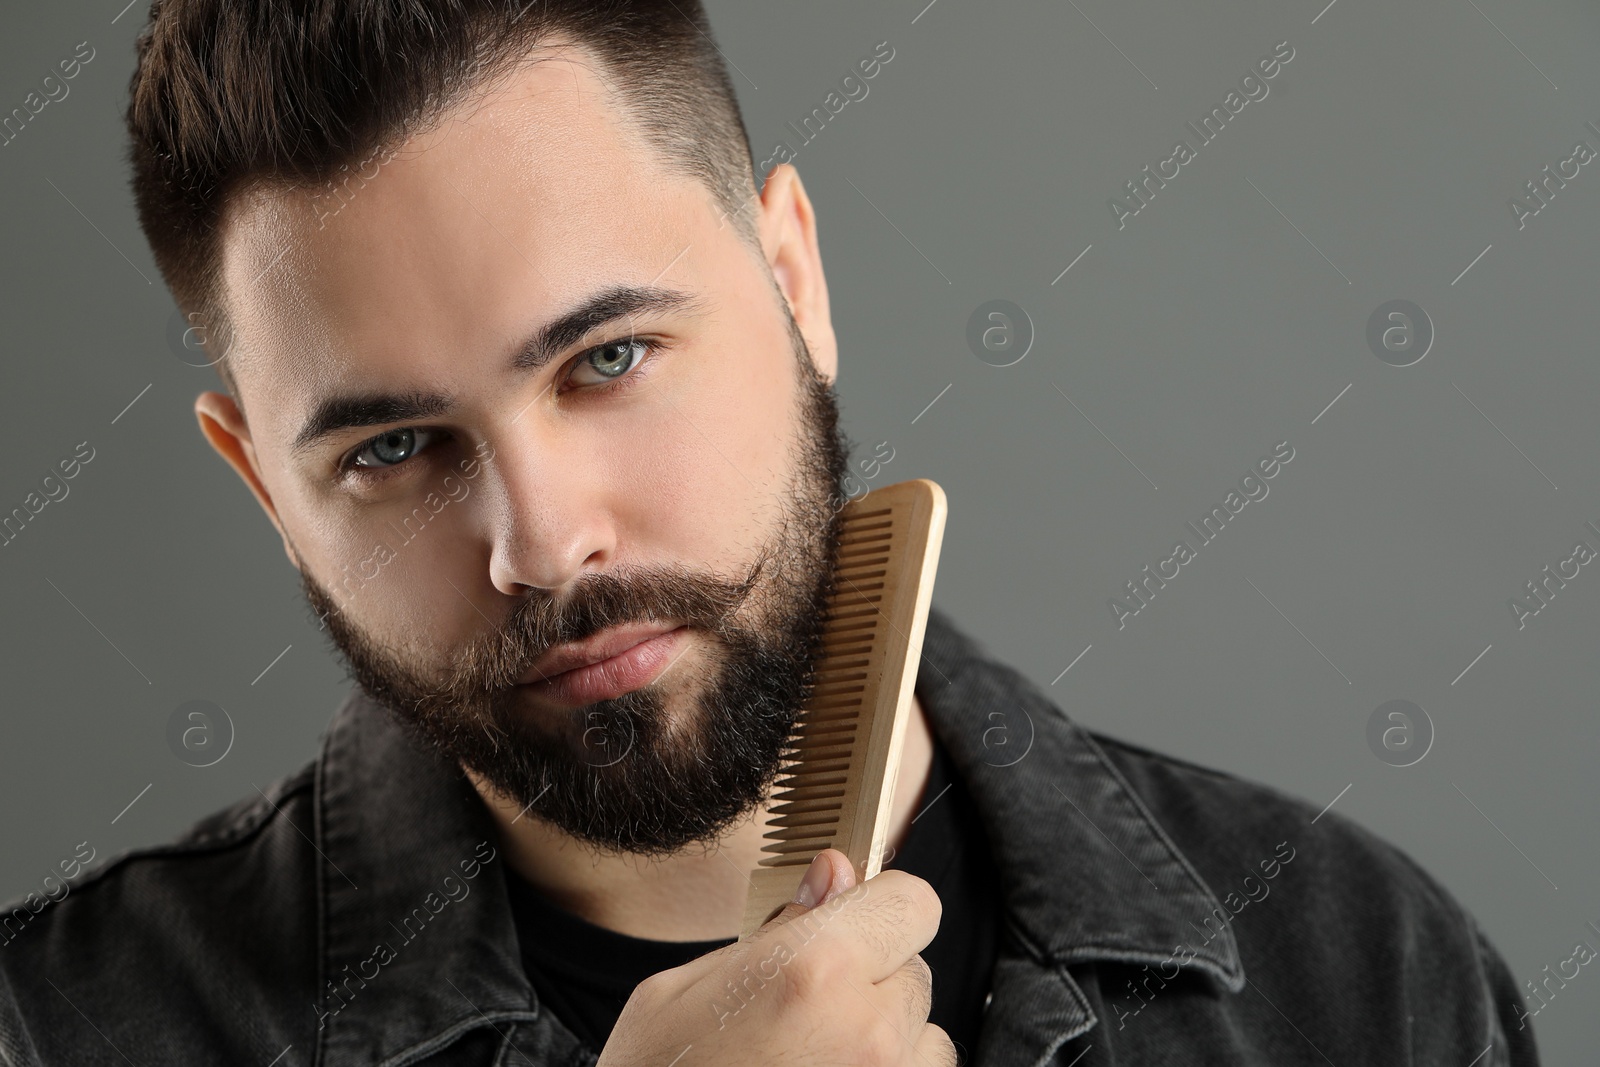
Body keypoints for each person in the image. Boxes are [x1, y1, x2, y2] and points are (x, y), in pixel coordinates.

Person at [0, 2, 1538, 1065]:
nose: (541, 545)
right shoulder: (56, 1031)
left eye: (606, 361)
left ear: (794, 280)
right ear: (264, 485)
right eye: (396, 448)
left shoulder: (1360, 975)